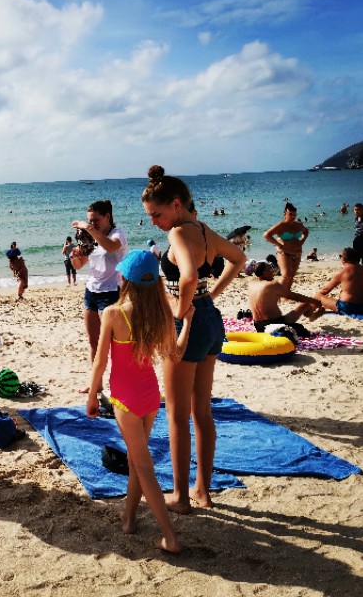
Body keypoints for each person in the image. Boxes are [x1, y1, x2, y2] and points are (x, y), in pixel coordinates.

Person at [141, 165, 246, 513]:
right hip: (211, 321)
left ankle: (182, 498)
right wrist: (210, 294)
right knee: (202, 410)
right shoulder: (202, 229)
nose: (155, 222)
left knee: (175, 414)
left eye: (156, 215)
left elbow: (186, 278)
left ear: (174, 204)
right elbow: (239, 258)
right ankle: (202, 489)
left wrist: (177, 312)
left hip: (188, 324)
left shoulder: (178, 234)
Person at [86, 250, 193, 554]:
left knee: (144, 467)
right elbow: (176, 353)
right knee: (136, 460)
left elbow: (99, 363)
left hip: (125, 399)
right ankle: (129, 517)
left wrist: (93, 396)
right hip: (149, 397)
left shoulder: (114, 313)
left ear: (125, 279)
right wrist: (188, 323)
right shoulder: (160, 314)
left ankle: (170, 536)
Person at [71, 200, 128, 392]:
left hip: (111, 293)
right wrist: (73, 255)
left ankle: (119, 384)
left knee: (114, 345)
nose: (92, 224)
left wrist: (89, 229)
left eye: (95, 220)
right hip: (91, 292)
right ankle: (97, 385)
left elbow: (112, 247)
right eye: (90, 221)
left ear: (107, 217)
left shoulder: (117, 235)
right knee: (94, 343)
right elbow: (79, 266)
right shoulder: (92, 238)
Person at [248, 262, 323, 338]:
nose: (273, 271)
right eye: (270, 269)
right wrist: (314, 301)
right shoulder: (272, 285)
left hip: (258, 326)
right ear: (264, 273)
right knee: (301, 329)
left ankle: (312, 316)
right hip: (274, 325)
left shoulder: (251, 284)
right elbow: (294, 296)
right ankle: (312, 316)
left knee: (305, 304)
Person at [314, 247, 363, 315]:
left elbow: (325, 290)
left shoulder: (343, 272)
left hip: (349, 307)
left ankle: (309, 310)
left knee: (318, 296)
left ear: (344, 259)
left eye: (340, 256)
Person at [263, 203, 308, 290]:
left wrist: (301, 242)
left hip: (297, 254)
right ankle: (276, 295)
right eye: (290, 214)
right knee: (286, 275)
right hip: (284, 253)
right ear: (285, 214)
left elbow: (306, 232)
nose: (293, 216)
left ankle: (285, 297)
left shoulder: (298, 225)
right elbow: (267, 235)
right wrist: (278, 244)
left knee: (291, 276)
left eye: (294, 214)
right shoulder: (281, 225)